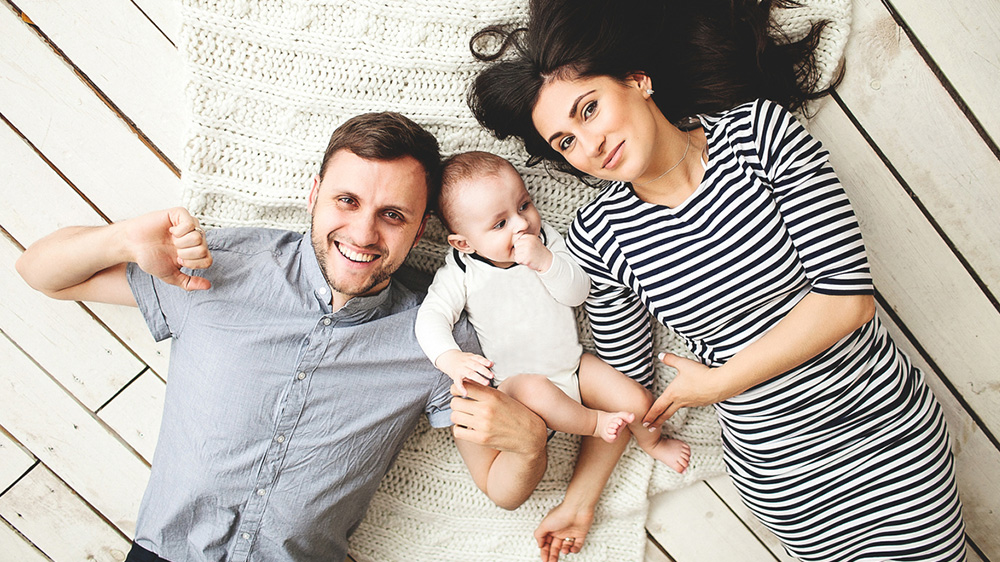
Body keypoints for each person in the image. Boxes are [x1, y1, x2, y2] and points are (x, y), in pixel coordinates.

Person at [466, 0, 969, 561]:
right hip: (782, 482)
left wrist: (717, 384)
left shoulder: (759, 135)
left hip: (886, 436)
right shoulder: (598, 235)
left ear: (637, 80)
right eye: (565, 142)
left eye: (588, 110)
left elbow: (846, 302)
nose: (588, 146)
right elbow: (630, 386)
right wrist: (581, 501)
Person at [15, 112, 551, 562]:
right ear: (315, 193)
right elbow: (41, 272)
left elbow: (502, 488)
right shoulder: (221, 268)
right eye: (347, 201)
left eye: (392, 215)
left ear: (421, 229)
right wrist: (123, 239)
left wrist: (528, 445)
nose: (364, 234)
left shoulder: (441, 340)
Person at [415, 151, 691, 481]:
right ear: (464, 243)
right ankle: (595, 423)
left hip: (573, 367)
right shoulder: (462, 270)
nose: (521, 224)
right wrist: (450, 359)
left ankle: (653, 441)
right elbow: (431, 317)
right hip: (518, 388)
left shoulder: (547, 242)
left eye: (524, 206)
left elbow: (577, 293)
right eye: (500, 224)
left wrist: (547, 263)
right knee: (536, 389)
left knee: (635, 396)